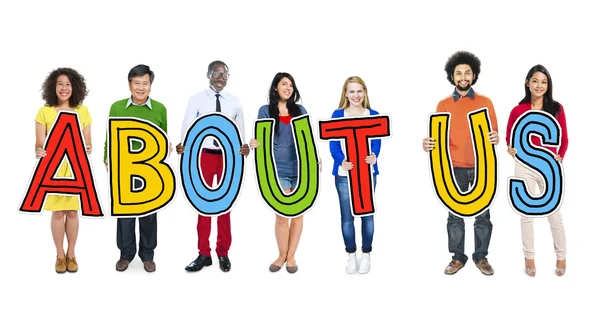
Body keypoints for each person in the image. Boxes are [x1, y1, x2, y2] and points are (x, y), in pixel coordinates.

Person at [422, 51, 499, 276]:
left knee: (483, 214)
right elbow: (438, 137)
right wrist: (428, 143)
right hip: (453, 167)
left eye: (467, 72)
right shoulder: (443, 104)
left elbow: (493, 133)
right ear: (452, 77)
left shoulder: (485, 102)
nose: (463, 77)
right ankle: (457, 258)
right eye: (458, 73)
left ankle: (481, 257)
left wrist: (496, 137)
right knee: (454, 214)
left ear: (474, 75)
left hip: (482, 167)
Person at [178, 60, 250, 273]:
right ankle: (203, 253)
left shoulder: (234, 102)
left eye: (224, 75)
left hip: (228, 157)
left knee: (225, 205)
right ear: (208, 74)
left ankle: (223, 252)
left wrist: (244, 149)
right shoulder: (197, 99)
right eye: (217, 74)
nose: (221, 79)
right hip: (204, 155)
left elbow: (240, 131)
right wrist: (183, 146)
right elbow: (188, 127)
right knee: (204, 205)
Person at [104, 64, 170, 273]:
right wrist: (107, 158)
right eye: (137, 83)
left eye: (145, 83)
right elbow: (110, 137)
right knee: (125, 213)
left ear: (150, 85)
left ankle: (147, 255)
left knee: (149, 214)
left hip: (149, 170)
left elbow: (164, 137)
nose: (141, 88)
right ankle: (125, 254)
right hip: (124, 169)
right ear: (129, 84)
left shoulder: (160, 109)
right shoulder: (117, 107)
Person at [505, 64, 568, 277]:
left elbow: (564, 139)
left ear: (548, 85)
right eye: (535, 81)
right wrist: (511, 149)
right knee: (526, 213)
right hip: (524, 164)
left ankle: (561, 255)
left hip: (548, 165)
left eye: (544, 82)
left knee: (554, 213)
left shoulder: (556, 108)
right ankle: (529, 256)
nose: (539, 85)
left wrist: (560, 156)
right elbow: (509, 137)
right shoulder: (518, 110)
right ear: (527, 83)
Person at [249, 72, 309, 273]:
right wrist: (254, 143)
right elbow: (260, 136)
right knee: (282, 215)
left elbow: (308, 139)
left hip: (300, 169)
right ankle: (282, 254)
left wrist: (315, 158)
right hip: (277, 170)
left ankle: (291, 256)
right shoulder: (265, 110)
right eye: (284, 84)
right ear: (275, 87)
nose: (288, 88)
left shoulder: (300, 110)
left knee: (298, 213)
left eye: (291, 85)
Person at [35, 68, 91, 273]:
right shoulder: (44, 112)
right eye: (60, 84)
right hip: (53, 169)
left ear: (74, 87)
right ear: (53, 87)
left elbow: (88, 141)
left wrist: (88, 146)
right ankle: (59, 254)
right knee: (58, 213)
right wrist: (39, 149)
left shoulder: (82, 111)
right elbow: (39, 141)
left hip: (75, 170)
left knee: (73, 212)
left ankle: (72, 253)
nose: (64, 88)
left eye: (68, 84)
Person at [329, 76, 381, 274]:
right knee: (347, 216)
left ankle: (366, 254)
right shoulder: (337, 115)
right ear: (345, 94)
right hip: (344, 174)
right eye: (352, 91)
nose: (356, 95)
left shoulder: (373, 114)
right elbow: (333, 143)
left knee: (367, 214)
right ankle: (351, 254)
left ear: (365, 92)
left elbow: (376, 141)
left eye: (359, 91)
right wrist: (341, 160)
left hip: (367, 174)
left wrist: (374, 156)